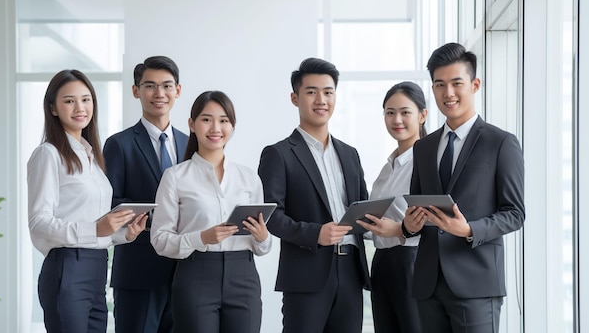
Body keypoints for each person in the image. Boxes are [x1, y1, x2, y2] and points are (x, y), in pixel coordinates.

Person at [402, 42, 525, 333]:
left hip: (477, 285)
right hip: (428, 284)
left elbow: (515, 213)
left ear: (475, 84)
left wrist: (469, 230)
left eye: (457, 83)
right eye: (440, 84)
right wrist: (409, 225)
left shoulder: (500, 142)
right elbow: (417, 205)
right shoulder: (423, 147)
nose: (449, 93)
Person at [27, 69, 147, 333]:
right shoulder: (48, 154)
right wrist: (95, 229)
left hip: (96, 270)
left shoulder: (92, 156)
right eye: (69, 101)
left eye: (86, 99)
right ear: (53, 108)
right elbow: (39, 223)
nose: (80, 107)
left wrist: (123, 233)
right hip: (67, 269)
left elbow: (95, 226)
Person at [258, 57, 371, 333]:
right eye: (311, 92)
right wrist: (315, 233)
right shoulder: (279, 154)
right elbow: (271, 217)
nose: (321, 100)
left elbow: (364, 207)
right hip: (306, 275)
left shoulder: (349, 154)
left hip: (350, 273)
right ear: (295, 98)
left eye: (328, 92)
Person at [150, 90, 272, 333]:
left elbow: (262, 247)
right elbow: (160, 240)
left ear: (232, 126)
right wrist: (201, 238)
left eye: (224, 120)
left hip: (244, 276)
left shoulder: (248, 178)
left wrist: (263, 237)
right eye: (207, 119)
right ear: (192, 125)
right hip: (195, 274)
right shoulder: (175, 177)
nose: (216, 127)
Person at [103, 55, 188, 333]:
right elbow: (111, 203)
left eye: (166, 86)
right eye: (150, 86)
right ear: (136, 91)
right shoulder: (119, 144)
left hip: (186, 273)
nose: (159, 93)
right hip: (139, 272)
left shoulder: (192, 144)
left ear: (178, 90)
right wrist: (161, 217)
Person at [356, 81, 427, 333]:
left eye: (405, 112)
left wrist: (398, 229)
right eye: (390, 112)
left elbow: (437, 219)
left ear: (422, 115)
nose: (397, 119)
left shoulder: (427, 163)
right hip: (383, 262)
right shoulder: (388, 167)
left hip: (412, 261)